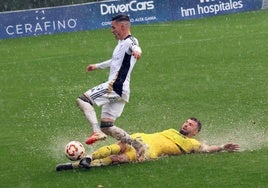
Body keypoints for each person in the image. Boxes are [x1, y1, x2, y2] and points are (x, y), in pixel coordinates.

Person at [56, 117, 239, 171]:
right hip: (142, 137)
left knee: (118, 157)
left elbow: (207, 149)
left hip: (149, 151)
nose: (185, 124)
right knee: (119, 145)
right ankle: (88, 157)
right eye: (185, 122)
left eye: (190, 124)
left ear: (196, 131)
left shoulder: (192, 144)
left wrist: (222, 147)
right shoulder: (172, 131)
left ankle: (75, 165)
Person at [76, 14, 144, 153]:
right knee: (107, 126)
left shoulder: (130, 41)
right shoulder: (121, 43)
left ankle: (96, 131)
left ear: (122, 26)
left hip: (115, 86)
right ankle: (138, 146)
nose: (112, 30)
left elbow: (135, 47)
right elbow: (114, 61)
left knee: (83, 100)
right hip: (122, 90)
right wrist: (97, 66)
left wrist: (137, 51)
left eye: (113, 27)